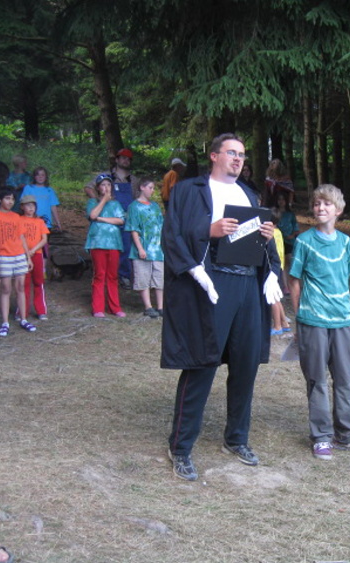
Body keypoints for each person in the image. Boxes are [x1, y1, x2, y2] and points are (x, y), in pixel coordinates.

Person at [161, 133, 281, 480]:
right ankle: (180, 447)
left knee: (246, 364)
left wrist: (272, 269)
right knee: (202, 362)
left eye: (242, 154)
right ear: (214, 156)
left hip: (247, 285)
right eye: (231, 153)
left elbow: (262, 243)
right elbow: (172, 235)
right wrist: (209, 230)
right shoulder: (189, 190)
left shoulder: (248, 194)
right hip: (211, 282)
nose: (238, 159)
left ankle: (236, 438)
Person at [288, 184, 350, 461]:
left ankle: (347, 435)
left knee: (344, 379)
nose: (320, 208)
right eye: (317, 203)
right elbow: (294, 281)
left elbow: (344, 277)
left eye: (327, 204)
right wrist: (300, 315)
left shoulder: (347, 244)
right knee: (317, 380)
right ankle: (321, 437)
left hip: (344, 321)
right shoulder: (304, 242)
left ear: (338, 210)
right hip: (312, 320)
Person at [0, 189, 36, 337]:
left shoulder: (16, 217)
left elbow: (22, 238)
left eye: (12, 199)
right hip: (3, 256)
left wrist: (28, 257)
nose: (10, 202)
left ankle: (23, 319)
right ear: (0, 200)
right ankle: (5, 322)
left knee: (20, 287)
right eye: (7, 198)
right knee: (6, 288)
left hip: (19, 255)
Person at [84, 148, 139, 289]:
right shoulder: (106, 176)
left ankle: (123, 276)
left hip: (126, 219)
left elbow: (138, 199)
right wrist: (98, 200)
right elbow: (88, 188)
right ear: (117, 159)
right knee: (106, 246)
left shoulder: (134, 180)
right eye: (123, 158)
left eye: (128, 159)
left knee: (126, 247)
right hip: (107, 218)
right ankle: (105, 274)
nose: (126, 161)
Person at [85, 174, 126, 318]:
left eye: (108, 185)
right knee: (99, 275)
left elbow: (121, 220)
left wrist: (101, 219)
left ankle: (114, 308)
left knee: (113, 276)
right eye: (103, 185)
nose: (106, 188)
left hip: (114, 243)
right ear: (98, 188)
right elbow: (92, 215)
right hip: (97, 243)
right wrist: (103, 200)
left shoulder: (116, 204)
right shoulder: (92, 202)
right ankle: (98, 308)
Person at [124, 178, 164, 318]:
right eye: (150, 187)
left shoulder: (155, 206)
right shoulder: (134, 207)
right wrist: (140, 248)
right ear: (142, 187)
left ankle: (160, 306)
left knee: (159, 277)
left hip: (157, 249)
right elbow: (133, 229)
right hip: (143, 247)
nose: (152, 191)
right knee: (143, 276)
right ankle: (148, 306)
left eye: (153, 188)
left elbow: (161, 225)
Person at [18, 195, 50, 321]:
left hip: (37, 254)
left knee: (38, 282)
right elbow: (19, 238)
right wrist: (27, 252)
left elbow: (44, 239)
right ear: (22, 207)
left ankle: (41, 310)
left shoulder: (39, 221)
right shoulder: (19, 220)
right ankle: (22, 311)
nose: (31, 208)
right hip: (22, 254)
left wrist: (33, 250)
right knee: (24, 283)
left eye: (33, 205)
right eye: (27, 205)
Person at [19, 167, 63, 232]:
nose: (40, 177)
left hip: (46, 223)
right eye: (38, 175)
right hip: (30, 222)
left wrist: (58, 223)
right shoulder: (28, 188)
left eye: (42, 175)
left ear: (46, 177)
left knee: (45, 238)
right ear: (34, 177)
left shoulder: (49, 190)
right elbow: (23, 204)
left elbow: (53, 207)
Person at [269, 208, 291, 335]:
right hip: (279, 267)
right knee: (276, 297)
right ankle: (284, 323)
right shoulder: (278, 232)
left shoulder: (271, 233)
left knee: (272, 297)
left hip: (273, 269)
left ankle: (277, 326)